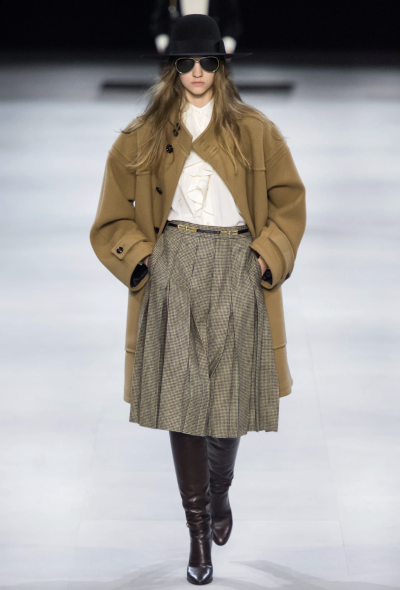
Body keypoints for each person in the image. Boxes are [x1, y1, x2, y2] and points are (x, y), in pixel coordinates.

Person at [90, 14, 306, 586]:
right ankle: (197, 532)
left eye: (207, 62)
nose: (196, 72)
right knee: (184, 405)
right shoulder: (143, 135)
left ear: (221, 67)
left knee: (228, 401)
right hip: (174, 266)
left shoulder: (254, 130)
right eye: (185, 63)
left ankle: (219, 489)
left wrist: (265, 256)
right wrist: (143, 260)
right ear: (172, 68)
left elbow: (288, 202)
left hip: (237, 262)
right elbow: (111, 214)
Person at [150, 0, 242, 55]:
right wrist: (162, 40)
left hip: (213, 48)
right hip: (176, 49)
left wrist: (228, 41)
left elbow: (232, 19)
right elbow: (159, 18)